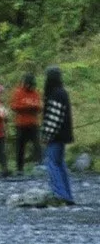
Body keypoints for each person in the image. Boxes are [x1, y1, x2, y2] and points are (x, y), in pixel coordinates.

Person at [42, 67, 75, 205]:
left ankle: (59, 194)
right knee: (60, 164)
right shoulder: (63, 93)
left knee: (52, 164)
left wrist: (46, 136)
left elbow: (53, 119)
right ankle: (67, 195)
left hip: (55, 136)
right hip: (62, 135)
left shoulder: (55, 94)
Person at [12, 71, 43, 171]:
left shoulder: (36, 93)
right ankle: (19, 168)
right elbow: (14, 106)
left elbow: (39, 106)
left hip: (34, 124)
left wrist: (36, 108)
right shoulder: (18, 92)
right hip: (21, 124)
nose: (30, 87)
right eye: (29, 85)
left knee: (37, 145)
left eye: (32, 85)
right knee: (20, 147)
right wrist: (27, 107)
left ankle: (39, 165)